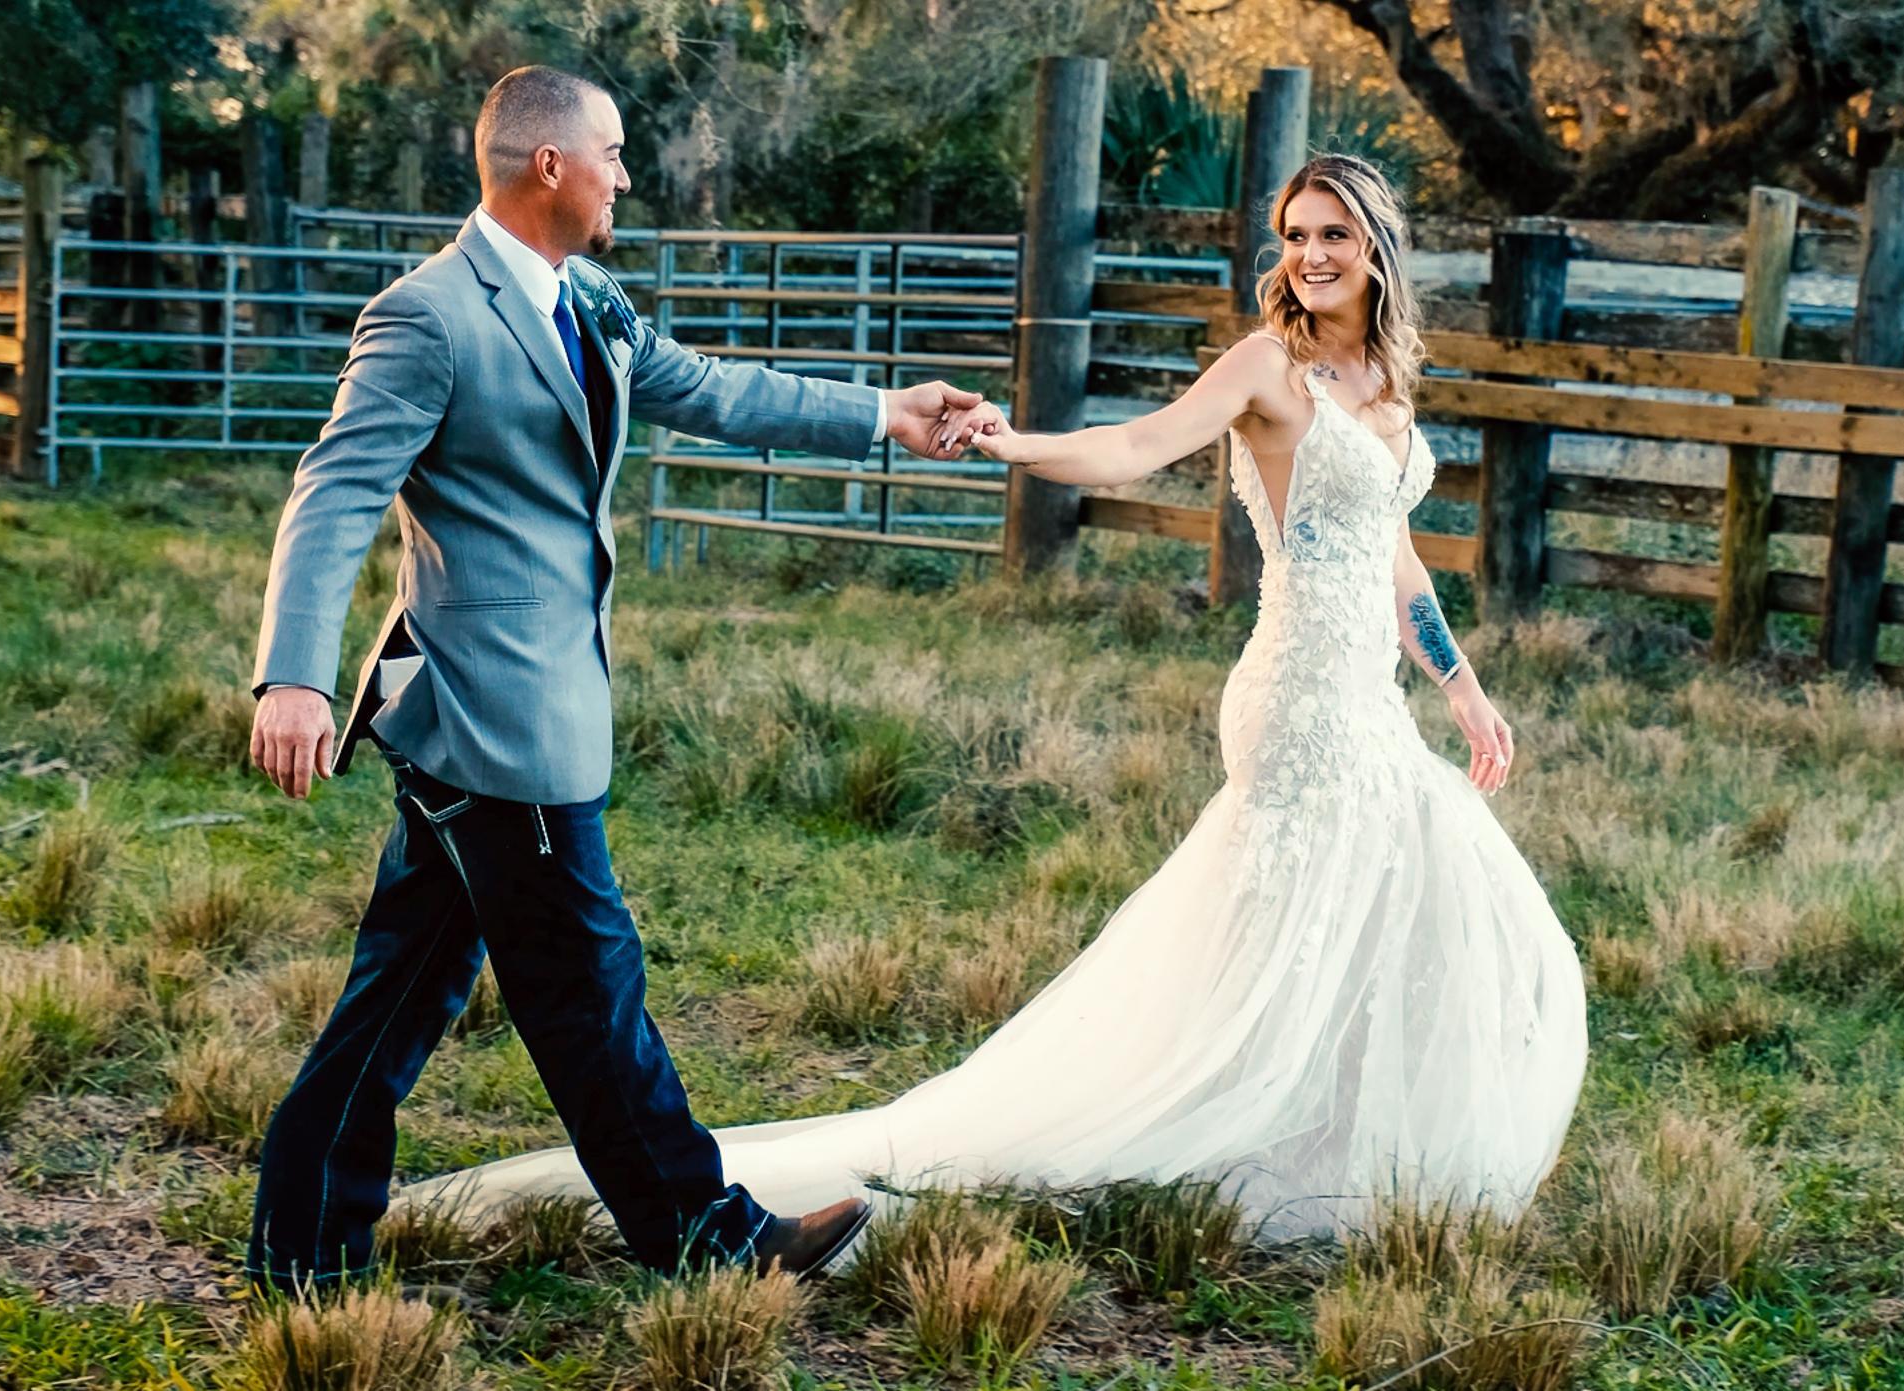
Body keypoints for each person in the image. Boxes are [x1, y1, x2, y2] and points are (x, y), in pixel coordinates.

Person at [395, 153, 1587, 1244]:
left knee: (1397, 899)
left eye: (1331, 233)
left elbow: (1395, 556)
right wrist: (1014, 443)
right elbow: (1134, 447)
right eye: (1294, 235)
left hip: (1371, 699)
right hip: (1297, 701)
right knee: (1303, 908)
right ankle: (1209, 1124)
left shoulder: (1385, 383)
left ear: (1377, 244)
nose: (1309, 255)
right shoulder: (1266, 366)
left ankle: (1324, 1138)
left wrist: (1463, 688)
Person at [243, 64, 987, 1285]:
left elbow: (710, 388)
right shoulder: (428, 315)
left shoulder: (586, 295)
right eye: (614, 153)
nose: (626, 177)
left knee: (405, 985)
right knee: (589, 991)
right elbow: (334, 492)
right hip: (496, 713)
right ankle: (711, 1241)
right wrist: (293, 678)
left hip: (504, 709)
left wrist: (882, 414)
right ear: (550, 165)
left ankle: (301, 1242)